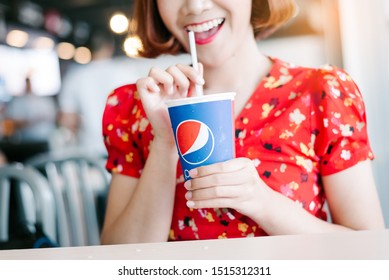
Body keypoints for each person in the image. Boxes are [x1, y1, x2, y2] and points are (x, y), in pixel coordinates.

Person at [100, 0, 385, 244]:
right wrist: (165, 141)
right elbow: (119, 260)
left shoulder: (322, 93)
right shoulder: (131, 107)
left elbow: (368, 249)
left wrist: (262, 202)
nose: (196, 6)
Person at [58, 30, 121, 156]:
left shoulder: (74, 76)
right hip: (123, 150)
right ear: (110, 47)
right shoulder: (125, 73)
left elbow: (67, 120)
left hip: (90, 153)